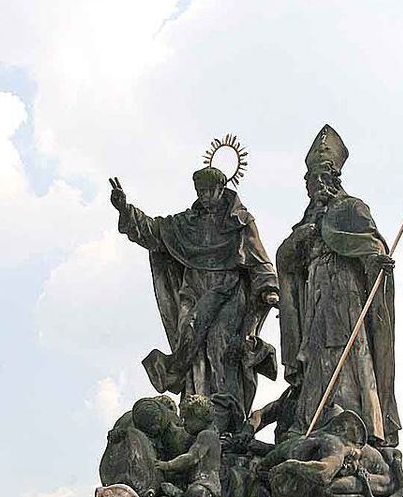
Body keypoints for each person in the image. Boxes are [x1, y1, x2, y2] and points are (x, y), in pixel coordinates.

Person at [111, 167, 279, 417]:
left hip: (228, 290)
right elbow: (155, 231)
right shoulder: (187, 223)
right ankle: (195, 408)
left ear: (221, 189)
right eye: (200, 192)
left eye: (208, 191)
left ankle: (226, 411)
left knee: (219, 343)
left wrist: (268, 288)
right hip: (194, 290)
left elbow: (259, 256)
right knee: (189, 340)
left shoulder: (240, 221)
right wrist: (126, 210)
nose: (204, 196)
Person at [276, 125, 401, 445]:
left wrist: (376, 262)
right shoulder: (306, 222)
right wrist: (300, 239)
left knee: (347, 353)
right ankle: (315, 418)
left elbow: (372, 246)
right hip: (315, 294)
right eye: (309, 182)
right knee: (315, 353)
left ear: (332, 180)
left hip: (345, 296)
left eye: (318, 180)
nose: (313, 187)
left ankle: (354, 418)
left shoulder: (351, 208)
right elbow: (287, 261)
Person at [155, 394, 222, 497]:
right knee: (190, 493)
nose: (184, 423)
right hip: (199, 484)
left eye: (187, 419)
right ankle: (181, 494)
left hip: (206, 486)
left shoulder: (207, 435)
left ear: (200, 416)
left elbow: (191, 458)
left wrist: (167, 465)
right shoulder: (204, 435)